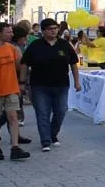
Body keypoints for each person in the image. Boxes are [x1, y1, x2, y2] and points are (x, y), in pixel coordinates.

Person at [20, 18, 81, 152]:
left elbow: (73, 64)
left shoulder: (64, 45)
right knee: (43, 113)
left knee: (61, 111)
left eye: (55, 28)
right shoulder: (35, 45)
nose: (53, 31)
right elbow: (24, 64)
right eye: (50, 29)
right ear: (43, 31)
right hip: (39, 85)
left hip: (61, 85)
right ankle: (46, 140)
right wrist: (22, 82)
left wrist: (77, 81)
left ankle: (52, 134)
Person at [0, 22, 30, 161]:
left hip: (11, 89)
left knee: (13, 118)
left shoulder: (12, 48)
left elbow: (20, 67)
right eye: (8, 32)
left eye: (11, 32)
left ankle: (15, 147)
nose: (12, 35)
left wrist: (23, 59)